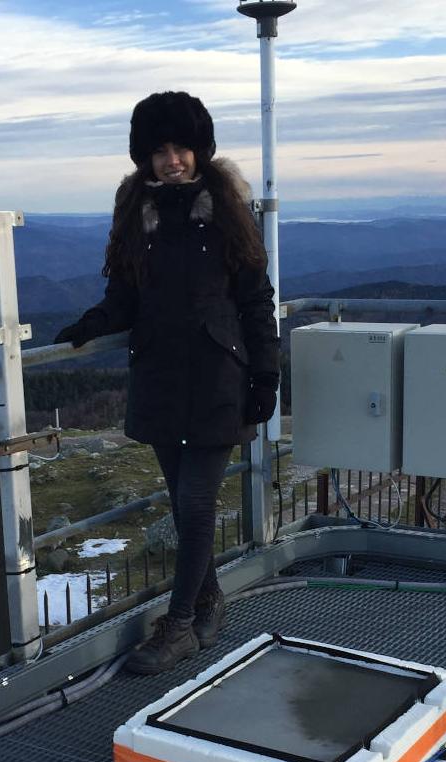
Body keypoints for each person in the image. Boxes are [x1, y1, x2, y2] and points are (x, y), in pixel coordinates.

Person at [55, 91, 280, 675]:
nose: (172, 160)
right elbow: (125, 293)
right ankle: (209, 603)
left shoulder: (229, 209)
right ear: (144, 157)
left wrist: (266, 377)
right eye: (159, 151)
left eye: (181, 147)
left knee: (196, 500)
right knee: (183, 507)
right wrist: (95, 323)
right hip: (158, 375)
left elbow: (257, 301)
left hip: (215, 377)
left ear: (199, 150)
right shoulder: (137, 211)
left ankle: (179, 626)